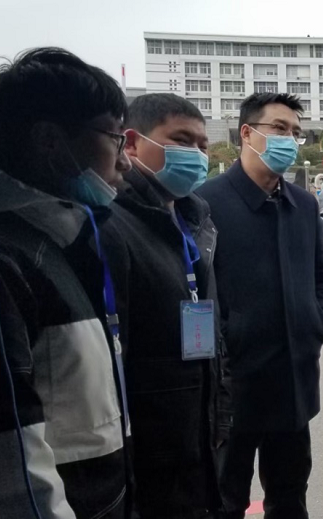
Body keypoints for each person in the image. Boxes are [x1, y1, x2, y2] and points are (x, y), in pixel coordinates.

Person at [0, 47, 132, 518]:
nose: (125, 162)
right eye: (115, 139)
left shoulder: (58, 239)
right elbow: (8, 475)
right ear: (49, 141)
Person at [196, 93, 323, 519]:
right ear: (247, 133)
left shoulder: (303, 204)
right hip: (232, 387)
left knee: (290, 497)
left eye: (295, 132)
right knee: (225, 500)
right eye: (279, 128)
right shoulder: (206, 202)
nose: (289, 139)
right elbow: (194, 288)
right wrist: (222, 346)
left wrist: (316, 321)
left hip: (292, 381)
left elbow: (322, 274)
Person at [99, 93, 231, 518]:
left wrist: (219, 413)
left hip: (197, 434)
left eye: (203, 145)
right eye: (181, 140)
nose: (196, 155)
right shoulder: (112, 222)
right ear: (132, 143)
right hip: (148, 452)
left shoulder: (194, 220)